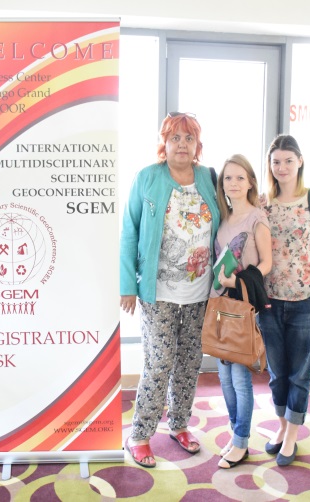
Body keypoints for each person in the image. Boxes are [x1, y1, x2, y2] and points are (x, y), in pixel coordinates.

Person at [119, 112, 220, 468]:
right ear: (164, 142)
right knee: (159, 363)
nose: (182, 144)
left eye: (188, 138)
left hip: (200, 293)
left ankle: (179, 425)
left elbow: (229, 221)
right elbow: (129, 231)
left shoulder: (209, 178)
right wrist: (127, 285)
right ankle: (139, 435)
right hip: (158, 292)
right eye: (175, 137)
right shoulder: (147, 177)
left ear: (197, 144)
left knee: (190, 363)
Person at [258, 134, 310, 467]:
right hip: (269, 300)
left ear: (300, 161)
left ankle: (291, 434)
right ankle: (281, 425)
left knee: (300, 374)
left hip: (307, 300)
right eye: (276, 162)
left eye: (289, 160)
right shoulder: (264, 203)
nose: (282, 167)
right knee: (277, 373)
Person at [211, 154, 271, 469]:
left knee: (239, 377)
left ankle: (241, 442)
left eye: (239, 178)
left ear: (250, 183)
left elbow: (267, 263)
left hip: (244, 306)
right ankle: (237, 435)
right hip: (220, 305)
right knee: (224, 376)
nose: (233, 183)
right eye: (227, 178)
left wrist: (238, 280)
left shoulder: (256, 217)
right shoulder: (223, 219)